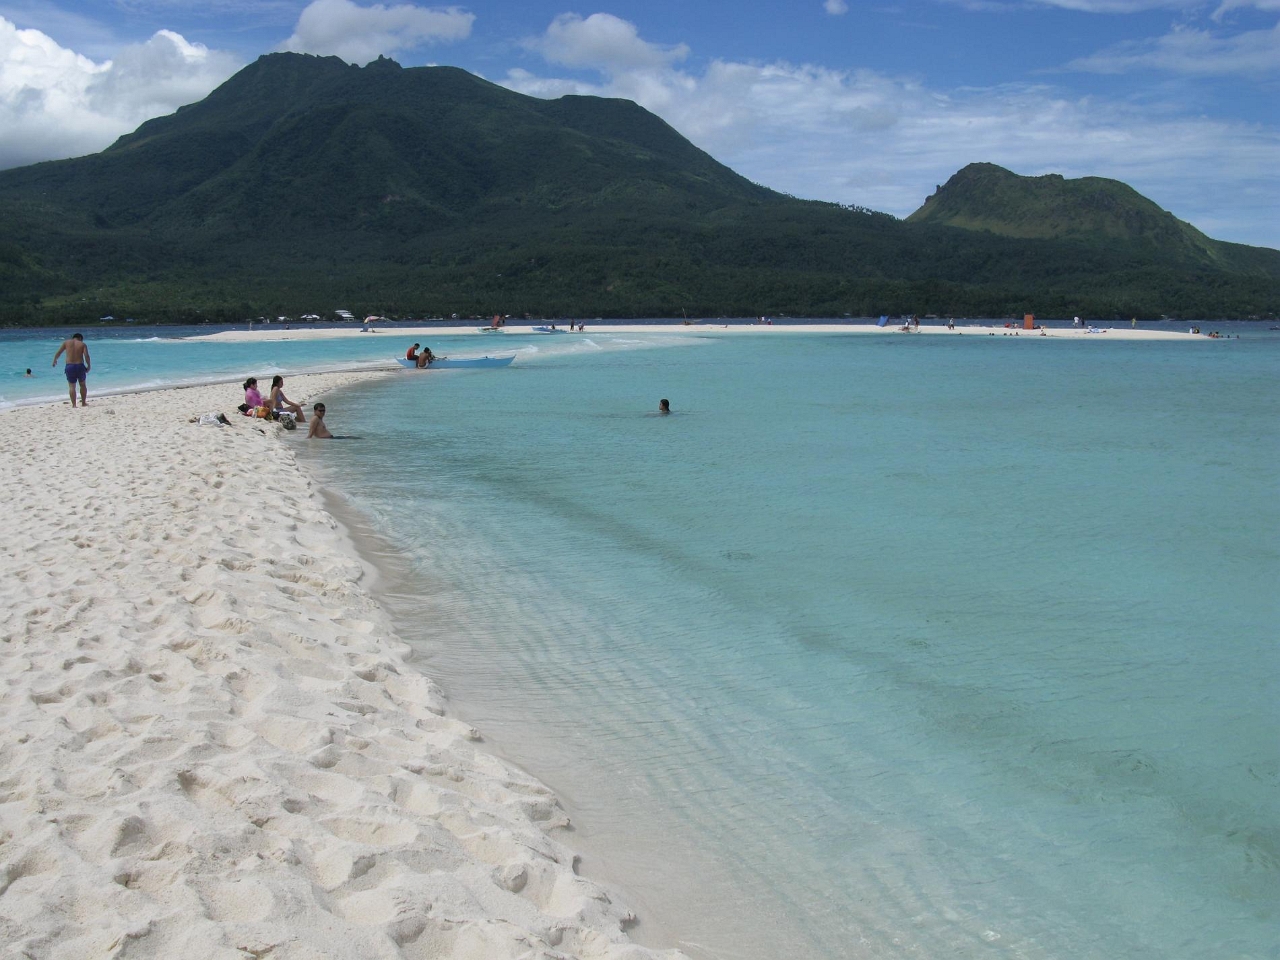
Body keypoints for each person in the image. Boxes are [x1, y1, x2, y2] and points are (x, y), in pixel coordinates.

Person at [52, 333, 90, 407]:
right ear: (80, 338)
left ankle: (74, 405)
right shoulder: (82, 344)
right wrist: (88, 365)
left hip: (69, 366)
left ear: (73, 337)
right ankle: (83, 403)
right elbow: (86, 356)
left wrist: (55, 360)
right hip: (80, 366)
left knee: (72, 386)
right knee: (82, 385)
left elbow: (59, 352)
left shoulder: (66, 343)